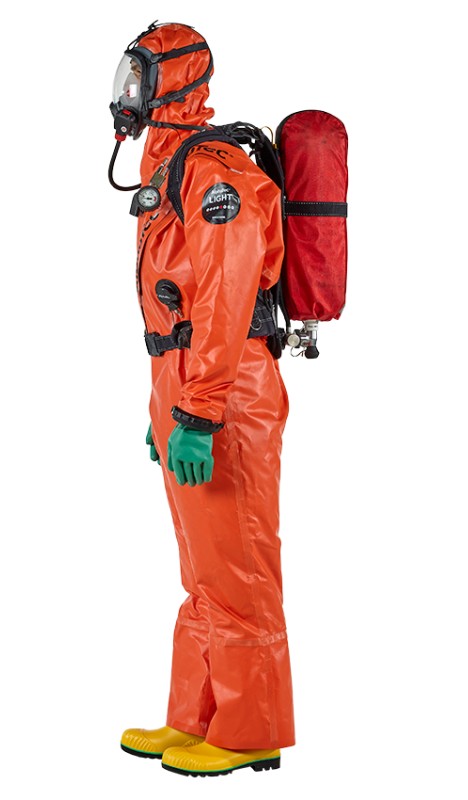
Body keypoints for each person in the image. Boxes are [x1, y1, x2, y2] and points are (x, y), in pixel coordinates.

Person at [110, 21, 294, 777]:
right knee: (205, 567)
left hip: (227, 390)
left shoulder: (212, 170)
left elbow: (224, 295)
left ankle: (250, 730)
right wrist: (166, 408)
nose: (126, 94)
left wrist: (200, 408)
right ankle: (197, 717)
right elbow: (178, 307)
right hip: (187, 383)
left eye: (139, 79)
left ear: (175, 83)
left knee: (240, 567)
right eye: (127, 78)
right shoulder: (170, 165)